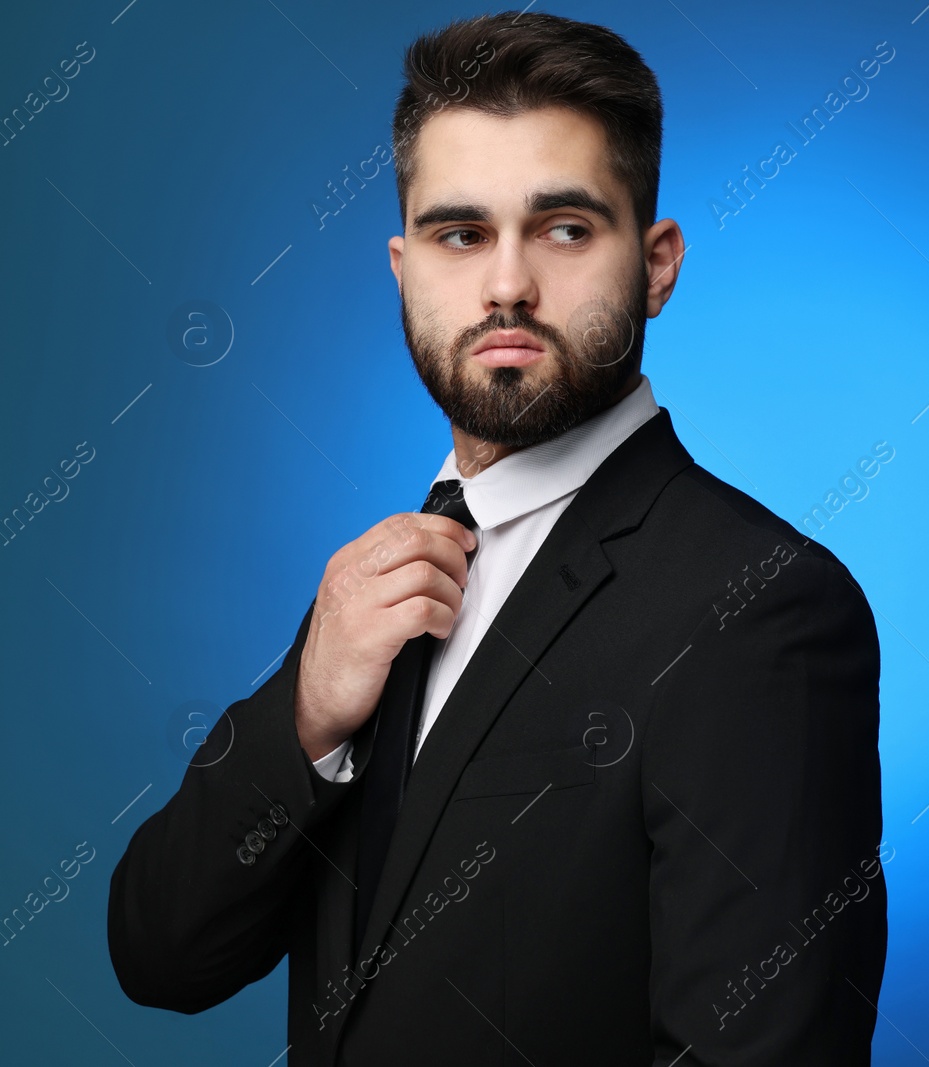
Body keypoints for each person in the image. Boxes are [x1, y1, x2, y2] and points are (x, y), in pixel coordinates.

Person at [106, 11, 887, 1065]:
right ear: (402, 266)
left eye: (565, 228)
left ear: (656, 264)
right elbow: (159, 955)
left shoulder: (760, 609)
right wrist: (301, 721)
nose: (507, 283)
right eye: (459, 233)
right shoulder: (370, 590)